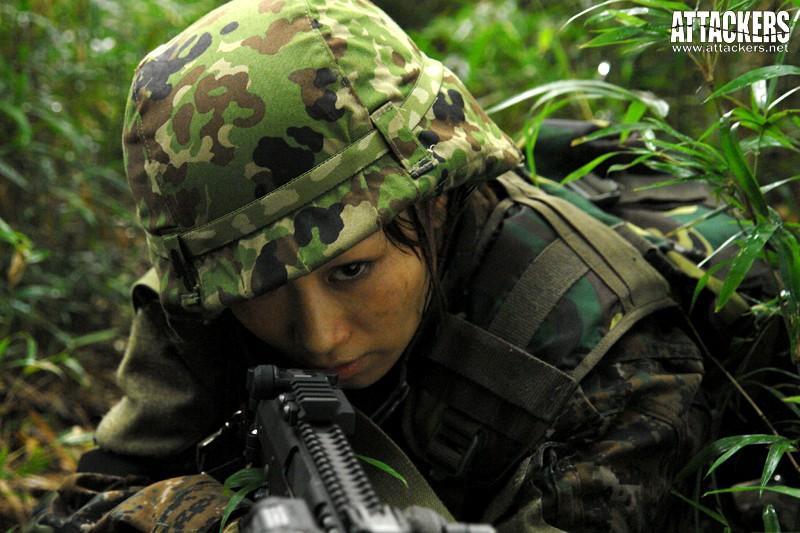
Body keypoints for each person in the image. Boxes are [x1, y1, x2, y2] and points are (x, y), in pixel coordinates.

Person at [35, 0, 710, 531]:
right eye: (266, 286)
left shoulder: (614, 366)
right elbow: (87, 505)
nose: (320, 337)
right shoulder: (212, 284)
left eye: (350, 271)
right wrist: (215, 517)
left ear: (436, 199)